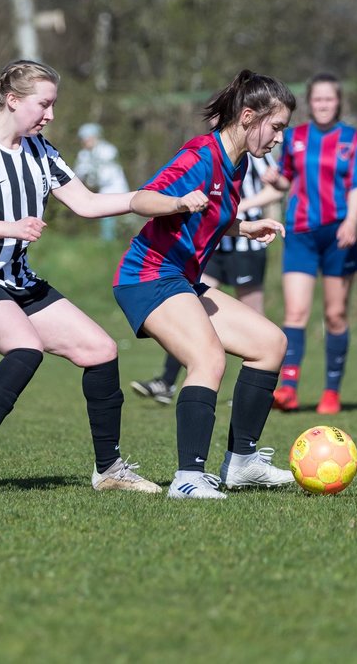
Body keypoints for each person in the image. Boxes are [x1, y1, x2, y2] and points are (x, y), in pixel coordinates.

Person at [0, 59, 183, 497]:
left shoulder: (40, 151)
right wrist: (8, 228)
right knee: (25, 349)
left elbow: (87, 203)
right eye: (43, 105)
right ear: (13, 100)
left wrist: (163, 202)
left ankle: (109, 470)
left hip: (19, 280)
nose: (50, 115)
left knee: (102, 350)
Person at [113, 69, 297, 499]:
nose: (279, 139)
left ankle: (243, 463)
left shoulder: (236, 164)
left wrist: (244, 229)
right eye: (277, 127)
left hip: (180, 279)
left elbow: (211, 215)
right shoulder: (201, 155)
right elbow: (141, 200)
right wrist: (177, 200)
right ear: (248, 116)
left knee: (270, 344)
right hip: (148, 278)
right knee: (207, 359)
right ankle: (188, 479)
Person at [130, 150, 284, 404]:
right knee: (190, 307)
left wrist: (242, 209)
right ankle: (167, 381)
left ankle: (249, 386)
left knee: (254, 316)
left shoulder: (255, 154)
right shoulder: (209, 155)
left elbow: (277, 189)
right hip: (215, 246)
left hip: (247, 247)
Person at [262, 72, 357, 415]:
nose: (323, 104)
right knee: (295, 312)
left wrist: (351, 220)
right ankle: (289, 387)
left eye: (329, 99)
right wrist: (276, 179)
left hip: (339, 234)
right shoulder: (293, 137)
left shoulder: (353, 139)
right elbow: (285, 180)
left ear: (338, 102)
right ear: (311, 102)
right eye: (318, 99)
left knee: (335, 314)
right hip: (301, 233)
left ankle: (331, 392)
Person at [73, 123, 130, 241]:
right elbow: (78, 173)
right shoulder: (83, 154)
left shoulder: (108, 150)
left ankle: (116, 241)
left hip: (114, 187)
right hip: (97, 190)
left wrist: (93, 180)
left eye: (88, 138)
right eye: (83, 139)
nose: (85, 142)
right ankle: (106, 241)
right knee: (103, 215)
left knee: (120, 216)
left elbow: (107, 174)